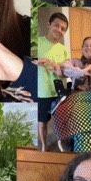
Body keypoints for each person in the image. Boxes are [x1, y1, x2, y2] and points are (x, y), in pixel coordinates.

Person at [36, 12, 71, 152]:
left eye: (63, 29)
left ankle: (61, 144)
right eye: (56, 25)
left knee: (60, 122)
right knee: (42, 122)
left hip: (58, 91)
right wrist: (40, 61)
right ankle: (44, 145)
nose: (59, 30)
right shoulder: (37, 42)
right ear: (48, 24)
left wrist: (60, 71)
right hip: (41, 91)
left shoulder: (63, 50)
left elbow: (65, 74)